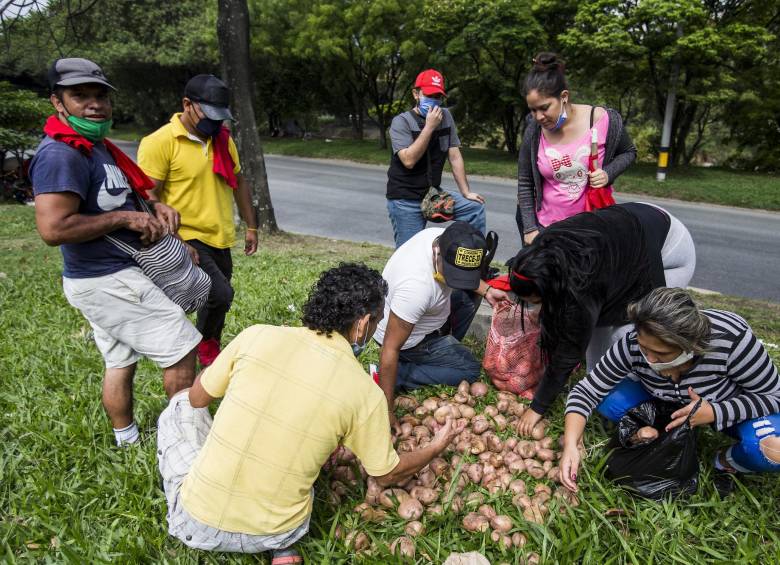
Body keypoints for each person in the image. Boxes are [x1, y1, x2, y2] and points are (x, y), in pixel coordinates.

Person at [156, 263, 465, 562]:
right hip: (279, 531)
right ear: (361, 324)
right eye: (377, 321)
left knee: (181, 403)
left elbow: (197, 398)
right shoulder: (364, 392)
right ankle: (283, 551)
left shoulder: (256, 335)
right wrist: (437, 444)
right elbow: (386, 475)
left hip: (195, 523)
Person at [29, 58, 200, 447]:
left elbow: (117, 199)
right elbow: (54, 229)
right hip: (105, 279)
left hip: (110, 276)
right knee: (182, 347)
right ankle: (182, 443)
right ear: (58, 102)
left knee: (120, 360)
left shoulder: (96, 146)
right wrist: (124, 219)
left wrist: (152, 208)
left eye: (100, 95)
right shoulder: (62, 154)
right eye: (80, 96)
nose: (94, 104)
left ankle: (127, 441)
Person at [560, 287, 780, 493]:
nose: (649, 359)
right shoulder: (632, 344)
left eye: (660, 354)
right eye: (644, 348)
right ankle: (666, 429)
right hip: (665, 404)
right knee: (608, 397)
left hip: (729, 410)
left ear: (689, 347)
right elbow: (587, 390)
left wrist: (715, 412)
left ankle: (726, 462)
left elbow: (775, 396)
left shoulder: (732, 340)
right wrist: (570, 443)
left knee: (771, 451)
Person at [508, 203, 695, 436]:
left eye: (537, 301)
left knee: (630, 336)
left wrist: (538, 408)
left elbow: (568, 351)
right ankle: (595, 396)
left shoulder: (580, 282)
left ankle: (650, 407)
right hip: (625, 238)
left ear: (551, 287)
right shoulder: (541, 252)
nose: (536, 307)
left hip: (668, 249)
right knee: (594, 335)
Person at [138, 74, 258, 368]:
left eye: (220, 116)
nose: (215, 123)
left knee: (216, 299)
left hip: (219, 235)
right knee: (219, 294)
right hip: (184, 236)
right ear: (187, 104)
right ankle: (195, 347)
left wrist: (251, 225)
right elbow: (145, 193)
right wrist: (171, 236)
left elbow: (239, 182)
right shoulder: (161, 142)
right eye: (209, 114)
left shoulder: (223, 141)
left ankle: (206, 344)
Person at [373, 222, 509, 420]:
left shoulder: (441, 237)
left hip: (424, 316)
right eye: (453, 275)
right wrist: (387, 410)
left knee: (469, 298)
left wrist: (487, 290)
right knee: (469, 369)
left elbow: (464, 275)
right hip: (408, 341)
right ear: (438, 252)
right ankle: (398, 373)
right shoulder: (416, 288)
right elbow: (390, 347)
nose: (457, 281)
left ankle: (443, 344)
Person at [517, 52, 637, 245]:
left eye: (544, 107)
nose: (538, 117)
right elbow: (525, 182)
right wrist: (530, 229)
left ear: (564, 96)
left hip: (589, 231)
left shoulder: (601, 119)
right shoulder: (534, 130)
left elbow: (629, 152)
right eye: (533, 110)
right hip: (545, 230)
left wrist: (608, 173)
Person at [386, 69, 486, 248]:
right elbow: (408, 160)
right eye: (430, 95)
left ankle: (468, 263)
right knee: (409, 253)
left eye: (438, 96)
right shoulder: (401, 122)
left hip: (433, 194)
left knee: (474, 208)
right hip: (405, 199)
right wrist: (429, 127)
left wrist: (466, 192)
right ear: (416, 94)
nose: (434, 101)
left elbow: (454, 156)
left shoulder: (446, 116)